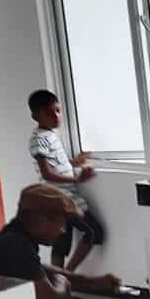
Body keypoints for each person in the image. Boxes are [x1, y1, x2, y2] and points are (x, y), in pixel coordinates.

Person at [28, 88, 105, 272]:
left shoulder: (50, 135)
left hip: (63, 196)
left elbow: (56, 164)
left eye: (57, 111)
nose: (56, 116)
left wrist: (74, 162)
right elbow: (46, 174)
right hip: (60, 197)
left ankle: (59, 279)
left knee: (61, 240)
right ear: (35, 116)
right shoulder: (38, 139)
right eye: (49, 113)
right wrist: (77, 179)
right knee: (93, 232)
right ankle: (67, 275)